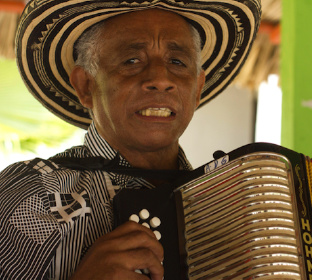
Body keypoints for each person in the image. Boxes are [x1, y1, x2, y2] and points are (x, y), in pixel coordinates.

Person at [0, 0, 261, 279]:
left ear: (197, 89)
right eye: (132, 60)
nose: (161, 79)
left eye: (177, 62)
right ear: (85, 86)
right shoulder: (33, 195)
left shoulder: (225, 208)